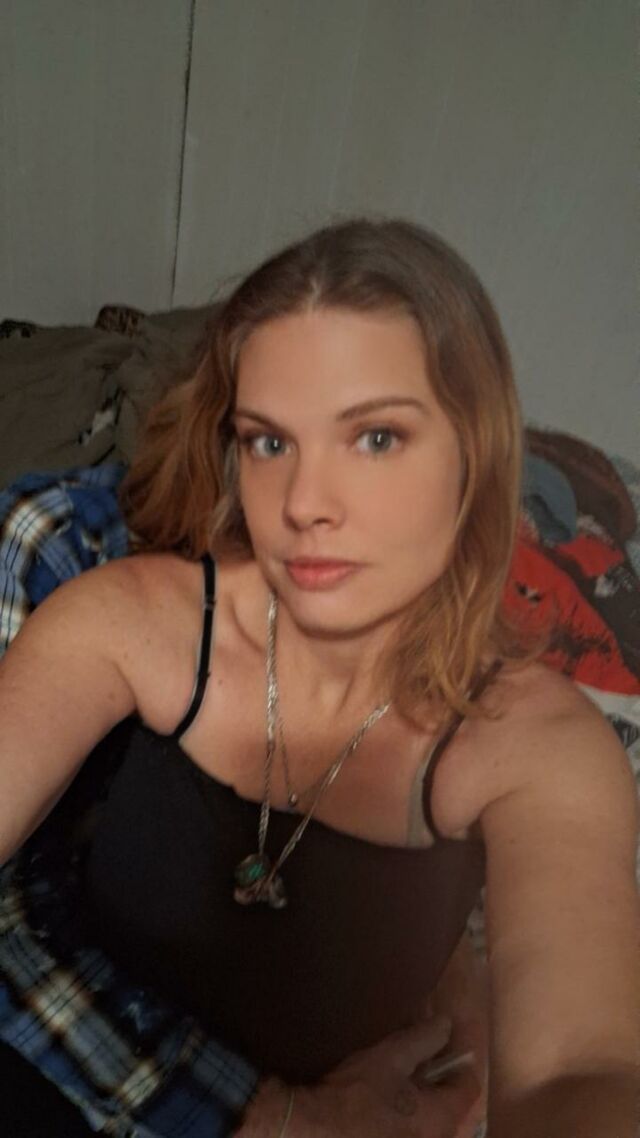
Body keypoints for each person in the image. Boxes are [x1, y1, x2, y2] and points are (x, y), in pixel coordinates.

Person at [0, 218, 638, 1138]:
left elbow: (584, 1067)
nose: (304, 504)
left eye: (375, 438)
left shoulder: (536, 746)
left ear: (478, 454)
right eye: (270, 442)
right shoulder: (129, 618)